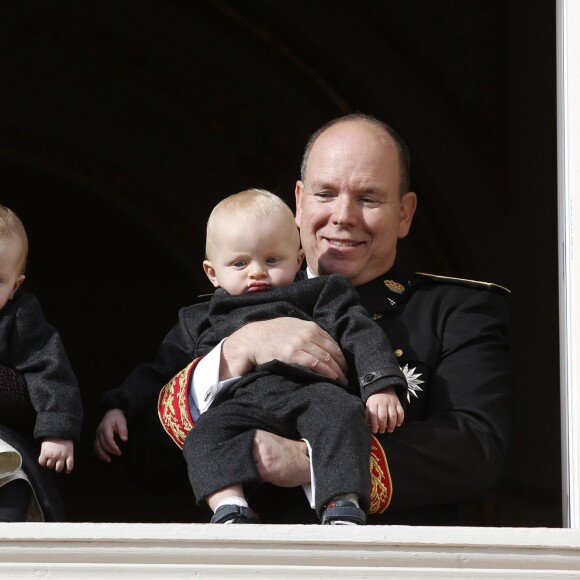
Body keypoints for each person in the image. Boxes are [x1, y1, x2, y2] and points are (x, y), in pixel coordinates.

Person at [96, 113, 512, 525]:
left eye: (368, 198)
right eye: (325, 194)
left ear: (404, 213)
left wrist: (307, 461)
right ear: (298, 201)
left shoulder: (455, 310)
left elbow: (474, 449)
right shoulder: (217, 313)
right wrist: (236, 351)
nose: (343, 215)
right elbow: (145, 463)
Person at [183, 188, 407, 524]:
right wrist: (120, 406)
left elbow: (359, 332)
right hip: (242, 402)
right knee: (203, 434)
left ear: (298, 259)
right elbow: (157, 375)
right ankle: (230, 506)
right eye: (240, 263)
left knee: (344, 414)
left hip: (311, 391)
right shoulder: (200, 317)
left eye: (272, 260)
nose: (257, 272)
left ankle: (341, 504)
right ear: (212, 272)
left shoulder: (320, 292)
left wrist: (380, 384)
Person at [0, 205, 83, 521]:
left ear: (15, 287)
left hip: (2, 445)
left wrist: (57, 429)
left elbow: (49, 368)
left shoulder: (18, 319)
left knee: (12, 477)